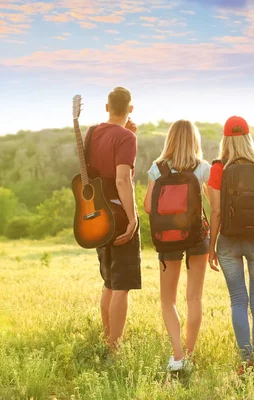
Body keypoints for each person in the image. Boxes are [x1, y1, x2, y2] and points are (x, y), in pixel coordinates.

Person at [208, 116, 254, 372]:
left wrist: (211, 246)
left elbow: (216, 212)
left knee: (238, 300)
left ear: (225, 138)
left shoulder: (218, 169)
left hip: (229, 240)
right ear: (248, 137)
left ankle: (245, 361)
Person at [143, 120, 211, 372]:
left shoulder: (157, 168)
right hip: (197, 236)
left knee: (167, 299)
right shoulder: (202, 168)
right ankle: (191, 356)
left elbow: (149, 207)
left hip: (168, 238)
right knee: (194, 297)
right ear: (195, 140)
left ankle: (178, 357)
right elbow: (212, 203)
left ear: (170, 139)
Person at [86, 86, 141, 350]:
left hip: (96, 214)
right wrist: (132, 219)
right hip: (118, 213)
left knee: (109, 281)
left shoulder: (91, 133)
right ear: (130, 109)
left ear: (107, 107)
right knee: (121, 285)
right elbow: (122, 180)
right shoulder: (126, 138)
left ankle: (107, 339)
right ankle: (115, 346)